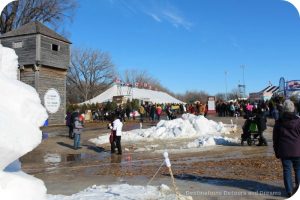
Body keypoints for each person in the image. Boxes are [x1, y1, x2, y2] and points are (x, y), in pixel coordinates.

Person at [273, 100, 300, 198]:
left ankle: (289, 191)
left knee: (287, 171)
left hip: (284, 151)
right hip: (298, 151)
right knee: (298, 170)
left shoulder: (278, 122)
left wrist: (276, 151)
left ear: (283, 110)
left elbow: (275, 139)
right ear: (293, 109)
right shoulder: (298, 121)